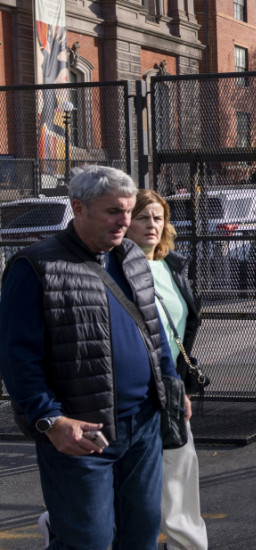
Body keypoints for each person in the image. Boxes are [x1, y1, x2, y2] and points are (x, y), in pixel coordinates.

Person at [0, 165, 180, 549]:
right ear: (78, 208)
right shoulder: (35, 267)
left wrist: (171, 383)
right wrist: (51, 420)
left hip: (143, 426)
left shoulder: (131, 255)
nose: (124, 221)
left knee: (141, 535)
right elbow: (18, 359)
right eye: (113, 211)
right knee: (88, 541)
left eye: (128, 211)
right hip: (82, 433)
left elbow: (153, 330)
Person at [127, 189, 208, 549]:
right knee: (123, 477)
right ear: (126, 222)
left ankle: (186, 544)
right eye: (143, 217)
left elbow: (181, 330)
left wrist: (181, 385)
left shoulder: (172, 266)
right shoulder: (113, 268)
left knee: (179, 467)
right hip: (130, 391)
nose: (152, 225)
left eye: (158, 217)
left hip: (170, 387)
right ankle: (63, 526)